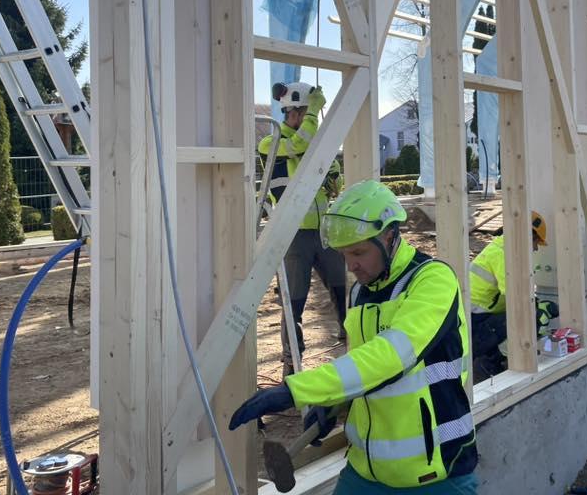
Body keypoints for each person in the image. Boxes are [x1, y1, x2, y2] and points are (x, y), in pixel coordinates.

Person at [230, 180, 478, 493]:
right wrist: (334, 403)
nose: (351, 265)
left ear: (390, 236)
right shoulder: (361, 291)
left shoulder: (432, 281)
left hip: (435, 471)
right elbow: (362, 366)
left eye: (359, 252)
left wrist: (298, 390)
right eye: (344, 254)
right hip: (365, 470)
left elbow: (390, 357)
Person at [258, 82, 346, 376]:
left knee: (342, 290)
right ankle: (291, 362)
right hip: (293, 235)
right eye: (307, 113)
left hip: (323, 233)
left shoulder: (313, 143)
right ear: (293, 112)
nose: (311, 119)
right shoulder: (270, 143)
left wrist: (333, 175)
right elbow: (298, 144)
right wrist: (314, 112)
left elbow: (333, 180)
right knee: (293, 302)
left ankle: (351, 343)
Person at [468, 211, 558, 378]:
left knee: (532, 313)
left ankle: (492, 356)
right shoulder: (504, 255)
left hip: (479, 317)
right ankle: (489, 362)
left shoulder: (504, 249)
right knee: (534, 317)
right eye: (536, 242)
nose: (536, 248)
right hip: (474, 323)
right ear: (528, 236)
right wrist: (540, 309)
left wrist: (536, 302)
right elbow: (518, 300)